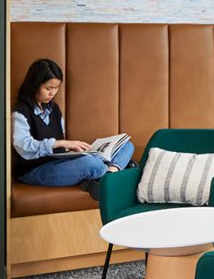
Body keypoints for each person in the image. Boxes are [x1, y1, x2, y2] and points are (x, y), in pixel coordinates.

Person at [12, 58, 135, 192]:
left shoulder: (54, 109)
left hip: (58, 162)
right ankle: (112, 173)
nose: (53, 93)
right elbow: (23, 146)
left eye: (56, 88)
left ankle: (107, 176)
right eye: (48, 88)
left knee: (127, 146)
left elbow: (61, 150)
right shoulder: (20, 112)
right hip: (34, 170)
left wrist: (75, 151)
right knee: (92, 164)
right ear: (34, 85)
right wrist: (62, 143)